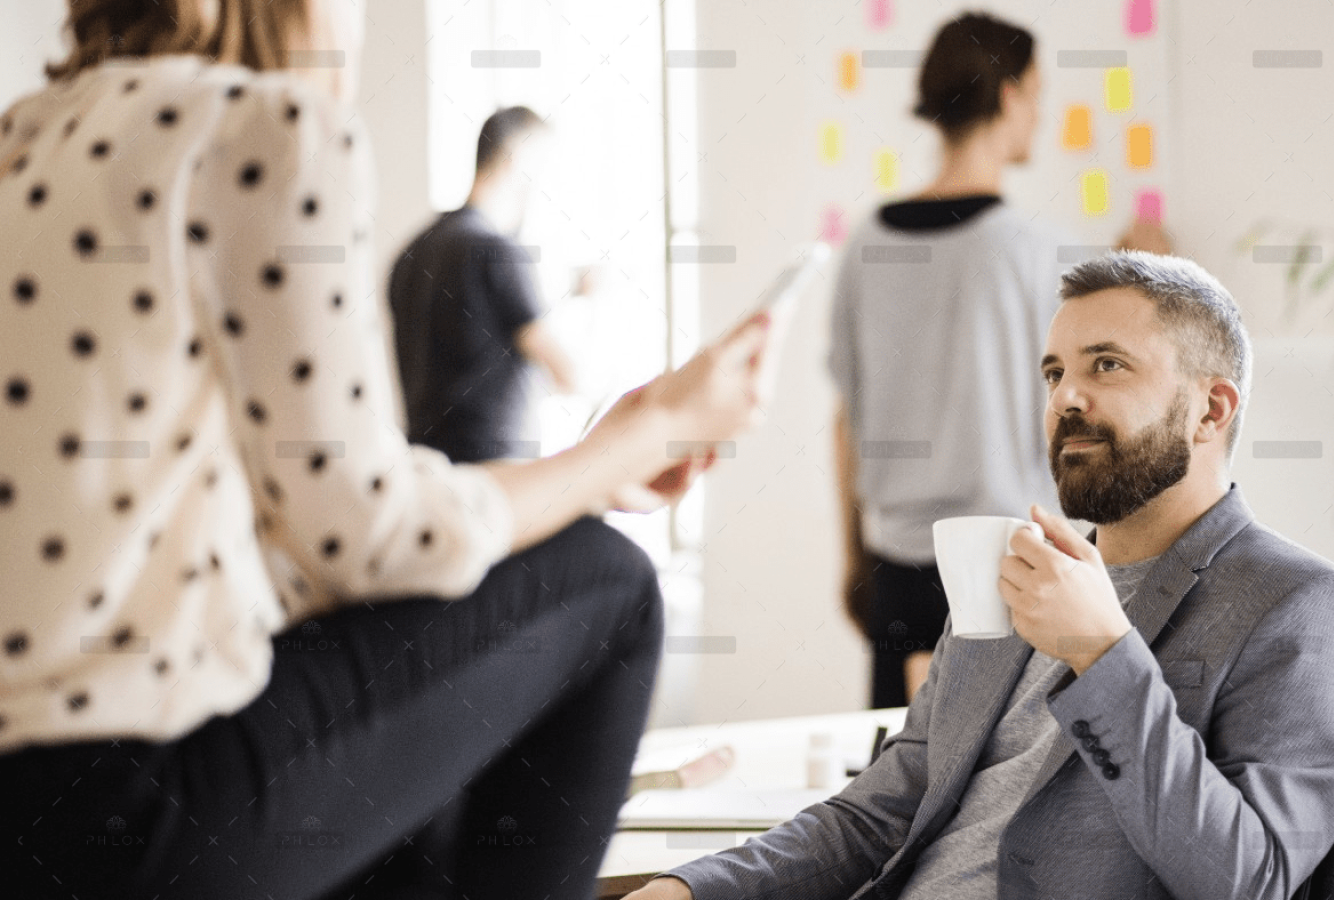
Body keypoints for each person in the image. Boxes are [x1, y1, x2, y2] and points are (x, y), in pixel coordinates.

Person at [0, 2, 768, 898]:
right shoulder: (267, 125)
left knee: (417, 750)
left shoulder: (23, 139)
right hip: (146, 814)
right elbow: (365, 533)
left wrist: (587, 468)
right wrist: (638, 436)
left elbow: (276, 538)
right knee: (611, 581)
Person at [630, 251, 1334, 900]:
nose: (1065, 399)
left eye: (1107, 366)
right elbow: (881, 812)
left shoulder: (1305, 609)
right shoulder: (1010, 578)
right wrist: (693, 886)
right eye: (1054, 372)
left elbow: (1250, 879)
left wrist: (1105, 657)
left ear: (1210, 411)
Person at [832, 12, 1171, 709]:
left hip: (893, 570)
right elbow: (1121, 359)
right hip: (1005, 571)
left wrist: (852, 561)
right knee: (997, 800)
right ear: (1011, 95)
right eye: (1038, 93)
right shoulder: (1030, 251)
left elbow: (847, 421)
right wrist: (1149, 269)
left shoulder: (866, 243)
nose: (1039, 116)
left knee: (893, 802)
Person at [389, 106, 578, 464]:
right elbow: (569, 374)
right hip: (495, 481)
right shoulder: (497, 253)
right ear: (518, 158)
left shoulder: (412, 254)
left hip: (426, 473)